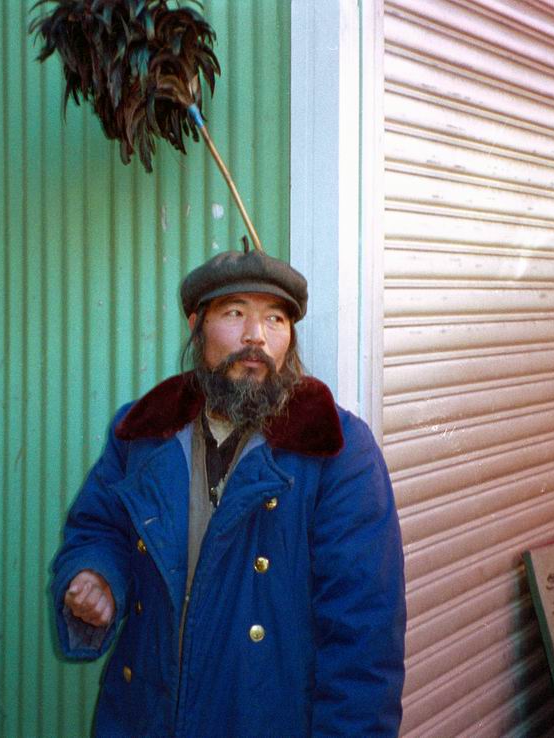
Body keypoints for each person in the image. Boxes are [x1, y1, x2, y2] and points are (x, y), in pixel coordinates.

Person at [51, 248, 406, 737]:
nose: (255, 336)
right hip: (144, 717)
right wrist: (97, 572)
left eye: (275, 318)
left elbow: (363, 643)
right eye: (235, 312)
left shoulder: (338, 453)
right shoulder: (145, 431)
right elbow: (98, 527)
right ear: (198, 325)